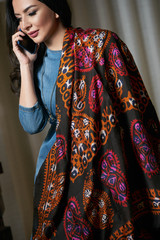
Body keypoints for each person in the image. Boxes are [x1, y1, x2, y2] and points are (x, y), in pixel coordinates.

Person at [6, 0, 160, 239]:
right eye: (18, 18)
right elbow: (32, 124)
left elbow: (133, 110)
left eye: (31, 13)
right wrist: (26, 65)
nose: (24, 24)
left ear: (55, 7)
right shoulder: (37, 62)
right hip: (58, 177)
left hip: (108, 170)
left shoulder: (102, 44)